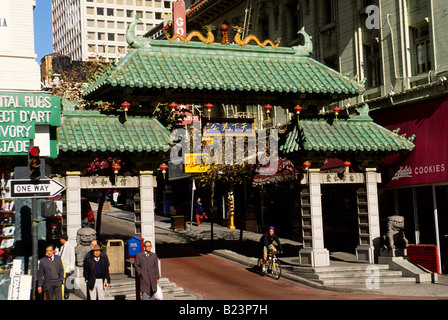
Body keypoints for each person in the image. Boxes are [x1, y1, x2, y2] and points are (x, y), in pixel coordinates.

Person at [58, 234, 75, 299]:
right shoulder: (62, 247)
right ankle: (62, 292)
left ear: (63, 239)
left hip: (67, 267)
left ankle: (66, 293)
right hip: (62, 266)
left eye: (60, 239)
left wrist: (72, 267)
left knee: (66, 281)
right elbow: (61, 255)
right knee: (62, 280)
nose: (60, 240)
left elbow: (72, 257)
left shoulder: (70, 246)